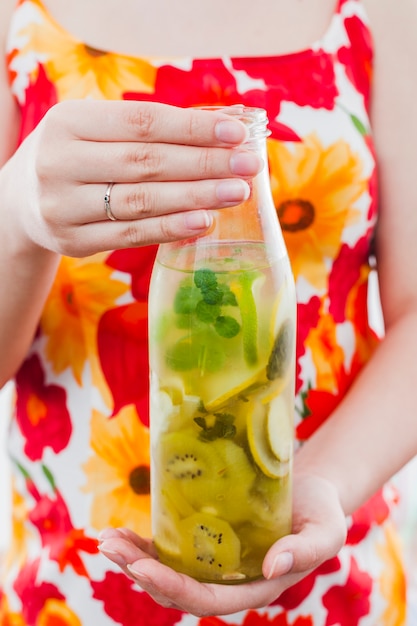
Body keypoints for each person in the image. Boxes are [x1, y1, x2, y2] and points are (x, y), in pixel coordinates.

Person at [0, 0, 415, 623]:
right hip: (73, 586)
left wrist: (323, 482)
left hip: (328, 581)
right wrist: (17, 218)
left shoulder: (386, 10)